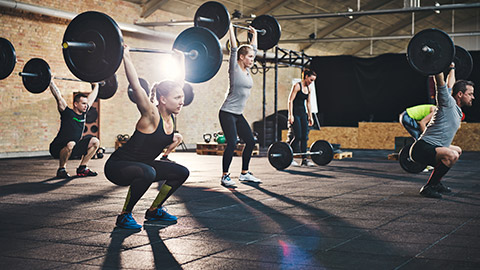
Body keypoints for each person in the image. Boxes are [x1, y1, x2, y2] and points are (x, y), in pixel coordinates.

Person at [104, 45, 189, 229]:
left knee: (181, 172)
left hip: (143, 166)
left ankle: (154, 210)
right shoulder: (151, 114)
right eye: (177, 98)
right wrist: (125, 56)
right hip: (118, 167)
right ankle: (124, 215)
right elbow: (136, 85)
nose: (182, 101)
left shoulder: (171, 116)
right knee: (148, 172)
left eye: (182, 97)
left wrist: (181, 60)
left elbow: (179, 83)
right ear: (163, 99)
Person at [410, 63, 475, 198]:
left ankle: (436, 183)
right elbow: (440, 83)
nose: (473, 97)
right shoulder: (447, 103)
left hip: (432, 147)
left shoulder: (455, 108)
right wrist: (437, 64)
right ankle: (428, 187)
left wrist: (451, 68)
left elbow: (450, 84)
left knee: (457, 150)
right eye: (470, 94)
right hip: (422, 148)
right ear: (460, 94)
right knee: (452, 155)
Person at [218, 24, 261, 187]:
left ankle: (244, 173)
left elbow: (254, 49)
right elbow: (234, 49)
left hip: (237, 114)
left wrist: (254, 34)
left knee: (250, 141)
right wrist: (230, 27)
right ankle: (225, 176)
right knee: (232, 143)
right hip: (227, 112)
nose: (252, 59)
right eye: (249, 57)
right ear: (242, 57)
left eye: (252, 57)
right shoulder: (234, 68)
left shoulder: (248, 70)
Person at [48, 78, 100, 178]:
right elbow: (58, 96)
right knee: (71, 143)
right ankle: (61, 169)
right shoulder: (67, 113)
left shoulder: (83, 114)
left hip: (73, 146)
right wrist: (50, 81)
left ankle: (82, 168)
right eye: (83, 103)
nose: (86, 106)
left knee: (95, 141)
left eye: (86, 104)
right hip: (57, 147)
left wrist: (96, 85)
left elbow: (92, 97)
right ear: (76, 104)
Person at [287, 69, 317, 167]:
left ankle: (304, 160)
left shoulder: (309, 89)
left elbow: (308, 103)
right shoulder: (297, 86)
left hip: (303, 114)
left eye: (313, 81)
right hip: (295, 114)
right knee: (298, 136)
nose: (311, 82)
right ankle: (288, 157)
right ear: (306, 76)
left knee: (304, 137)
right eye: (311, 80)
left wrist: (310, 116)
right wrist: (290, 115)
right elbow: (290, 101)